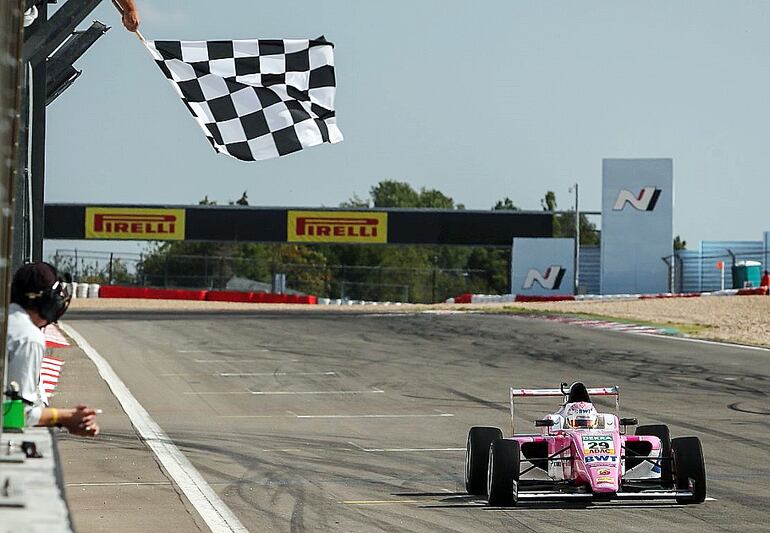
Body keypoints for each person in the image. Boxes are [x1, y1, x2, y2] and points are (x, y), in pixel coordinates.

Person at [6, 262, 99, 437]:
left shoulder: (8, 320)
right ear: (48, 301)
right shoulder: (27, 337)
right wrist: (66, 417)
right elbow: (17, 414)